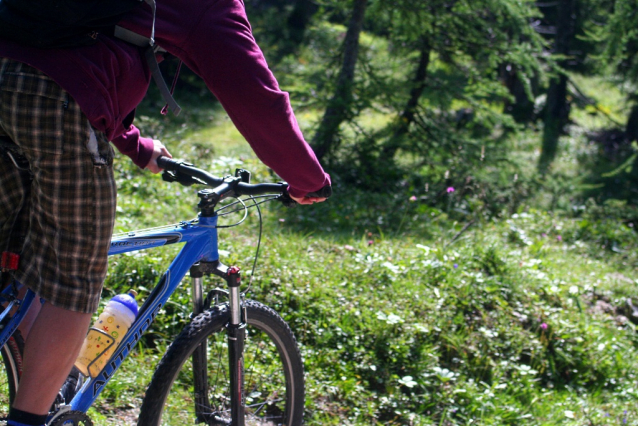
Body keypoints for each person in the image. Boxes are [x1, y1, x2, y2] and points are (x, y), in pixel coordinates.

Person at [0, 0, 331, 424]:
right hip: (52, 106)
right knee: (73, 280)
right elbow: (256, 96)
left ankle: (43, 375)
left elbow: (84, 49)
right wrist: (306, 178)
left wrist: (136, 145)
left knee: (15, 261)